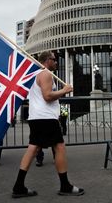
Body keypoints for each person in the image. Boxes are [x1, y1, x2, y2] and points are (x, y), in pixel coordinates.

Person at [12, 51, 84, 198]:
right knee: (59, 147)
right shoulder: (46, 74)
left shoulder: (34, 75)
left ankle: (18, 186)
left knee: (33, 149)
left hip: (36, 118)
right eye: (54, 60)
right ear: (46, 61)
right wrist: (64, 90)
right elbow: (47, 96)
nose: (56, 62)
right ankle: (65, 185)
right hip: (46, 118)